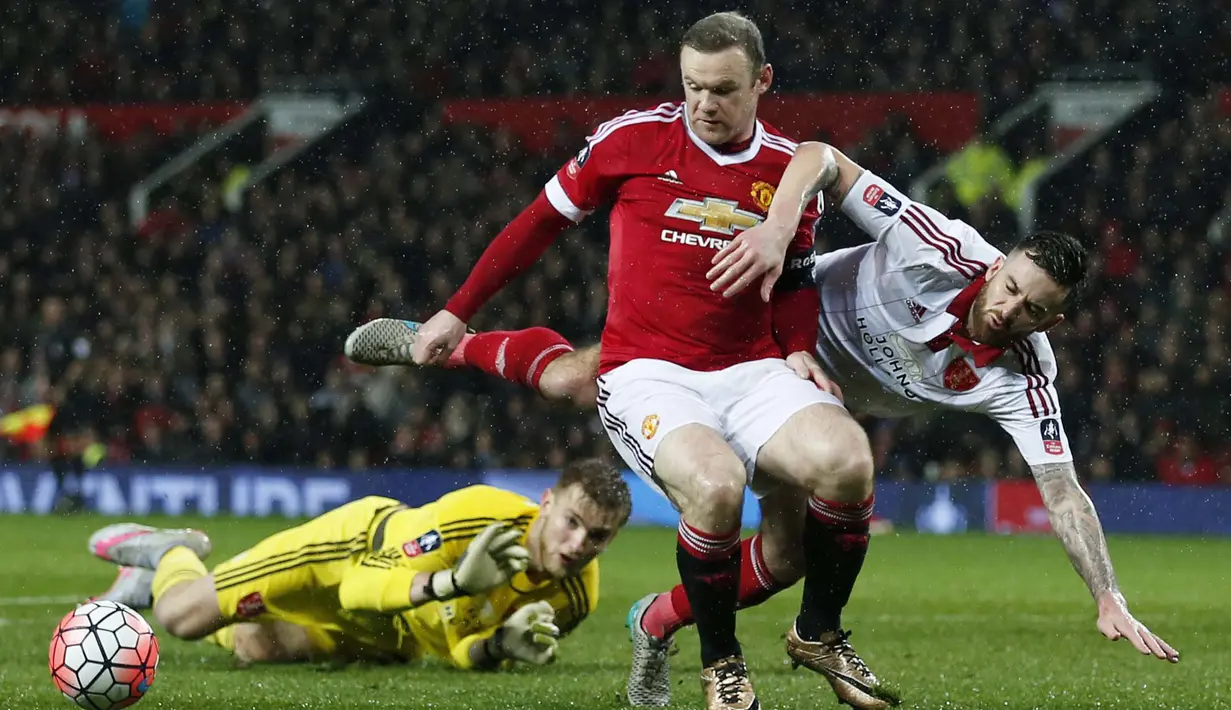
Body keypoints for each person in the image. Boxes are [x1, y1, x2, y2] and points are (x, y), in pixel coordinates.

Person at [347, 143, 1183, 704]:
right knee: (574, 378)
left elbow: (1062, 490)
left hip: (802, 401)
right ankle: (439, 345)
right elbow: (819, 156)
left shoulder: (1024, 376)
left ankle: (658, 621)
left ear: (1054, 321)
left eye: (1032, 311)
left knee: (784, 558)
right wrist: (781, 224)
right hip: (757, 317)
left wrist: (1105, 594)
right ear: (997, 263)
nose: (1008, 311)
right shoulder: (938, 243)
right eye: (1008, 288)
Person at [347, 11, 891, 710]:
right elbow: (536, 222)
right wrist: (457, 308)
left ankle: (808, 632)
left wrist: (798, 352)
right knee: (708, 481)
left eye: (722, 89)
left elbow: (791, 280)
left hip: (750, 368)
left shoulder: (783, 172)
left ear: (762, 82)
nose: (703, 103)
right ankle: (721, 664)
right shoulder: (632, 139)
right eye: (692, 85)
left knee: (835, 482)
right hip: (649, 370)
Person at [88, 458, 631, 671]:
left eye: (597, 536)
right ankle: (171, 555)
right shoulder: (475, 517)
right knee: (181, 618)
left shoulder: (575, 599)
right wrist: (453, 581)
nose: (579, 544)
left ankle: (151, 579)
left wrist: (495, 648)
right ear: (546, 502)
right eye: (572, 522)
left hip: (395, 636)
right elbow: (359, 586)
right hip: (346, 551)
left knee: (255, 646)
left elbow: (457, 645)